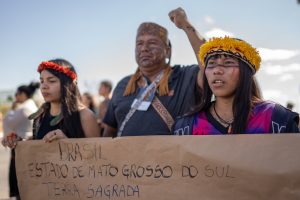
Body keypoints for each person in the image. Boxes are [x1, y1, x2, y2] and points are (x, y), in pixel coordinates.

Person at [103, 7, 206, 137]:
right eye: (139, 43)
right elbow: (109, 131)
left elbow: (210, 65)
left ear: (167, 50)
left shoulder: (184, 77)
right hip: (126, 157)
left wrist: (186, 25)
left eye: (152, 42)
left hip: (174, 156)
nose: (144, 48)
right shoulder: (123, 85)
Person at [172, 37, 300, 135]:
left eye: (227, 63)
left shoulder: (275, 118)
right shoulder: (187, 126)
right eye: (211, 64)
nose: (217, 70)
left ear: (245, 73)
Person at [2, 58, 100, 147]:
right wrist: (19, 141)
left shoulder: (85, 116)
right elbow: (40, 144)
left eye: (51, 81)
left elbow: (98, 156)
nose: (44, 86)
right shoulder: (41, 115)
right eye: (42, 81)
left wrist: (66, 142)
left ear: (69, 85)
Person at [2, 82, 39, 200]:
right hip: (28, 144)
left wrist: (12, 108)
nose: (15, 97)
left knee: (19, 178)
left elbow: (8, 121)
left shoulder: (24, 108)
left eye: (17, 94)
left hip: (22, 145)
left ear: (24, 94)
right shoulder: (31, 106)